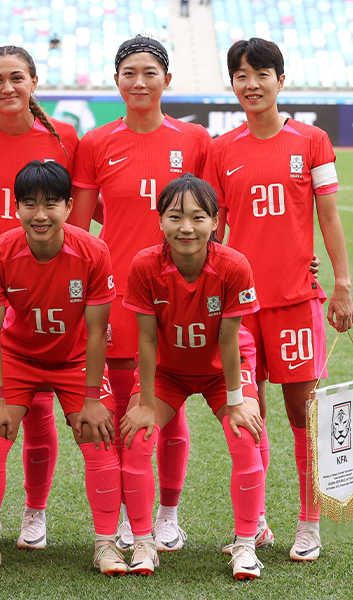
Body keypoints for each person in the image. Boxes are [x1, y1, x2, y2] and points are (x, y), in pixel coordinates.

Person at [205, 38, 353, 562]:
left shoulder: (312, 141)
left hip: (295, 301)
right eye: (241, 75)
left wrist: (341, 283)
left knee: (302, 415)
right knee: (248, 415)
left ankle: (309, 525)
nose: (251, 84)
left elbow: (329, 217)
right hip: (240, 311)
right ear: (232, 85)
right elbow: (213, 230)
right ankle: (258, 523)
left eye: (261, 73)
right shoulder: (221, 150)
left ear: (280, 79)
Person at [70, 35, 212, 553]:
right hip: (121, 298)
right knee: (134, 406)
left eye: (150, 72)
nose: (139, 81)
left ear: (167, 80)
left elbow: (218, 219)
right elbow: (80, 230)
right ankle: (134, 516)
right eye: (129, 72)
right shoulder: (96, 143)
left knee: (169, 409)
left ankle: (168, 516)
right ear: (116, 81)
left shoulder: (196, 140)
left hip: (183, 294)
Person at [0, 45, 78, 550]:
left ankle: (34, 512)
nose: (7, 88)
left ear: (34, 81)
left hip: (48, 292)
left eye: (17, 78)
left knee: (40, 409)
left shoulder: (63, 138)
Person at [0, 160, 117, 575]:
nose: (41, 215)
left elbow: (99, 331)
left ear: (69, 206)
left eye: (51, 204)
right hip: (17, 356)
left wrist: (90, 398)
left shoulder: (93, 251)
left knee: (98, 434)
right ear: (17, 207)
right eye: (29, 204)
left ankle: (106, 544)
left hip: (76, 358)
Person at [119, 174, 265, 580]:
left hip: (222, 370)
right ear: (160, 220)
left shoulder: (234, 265)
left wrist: (237, 400)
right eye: (175, 216)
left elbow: (230, 339)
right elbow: (146, 341)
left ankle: (246, 544)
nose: (186, 227)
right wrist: (146, 403)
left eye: (198, 217)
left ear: (215, 222)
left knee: (245, 434)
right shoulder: (145, 264)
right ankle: (145, 541)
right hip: (168, 370)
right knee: (136, 437)